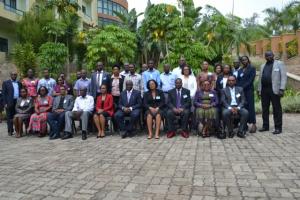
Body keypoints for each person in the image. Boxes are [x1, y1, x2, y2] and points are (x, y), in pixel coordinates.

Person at [257, 51, 287, 134]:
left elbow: (284, 77)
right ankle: (265, 126)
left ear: (273, 55)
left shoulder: (279, 64)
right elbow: (260, 78)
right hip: (264, 90)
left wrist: (282, 89)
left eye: (270, 55)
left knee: (276, 109)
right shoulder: (263, 66)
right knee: (265, 109)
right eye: (266, 56)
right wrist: (259, 89)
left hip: (275, 90)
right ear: (265, 57)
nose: (268, 57)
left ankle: (278, 127)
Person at [237, 56, 257, 133]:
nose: (244, 61)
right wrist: (238, 89)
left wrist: (241, 88)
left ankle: (253, 124)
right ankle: (244, 125)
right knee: (243, 106)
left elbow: (250, 80)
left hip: (248, 91)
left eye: (245, 60)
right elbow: (238, 81)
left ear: (248, 60)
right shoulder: (240, 70)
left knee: (250, 107)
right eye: (242, 60)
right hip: (241, 92)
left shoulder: (252, 68)